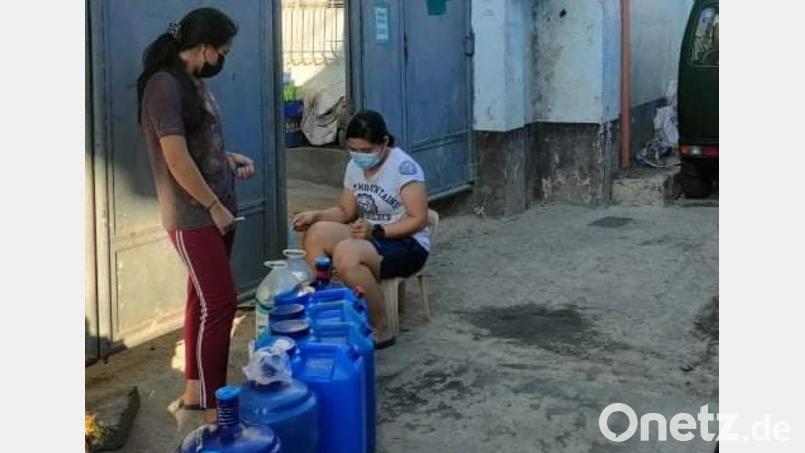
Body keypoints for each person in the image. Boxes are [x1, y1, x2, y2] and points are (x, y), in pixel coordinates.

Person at [137, 7, 255, 423]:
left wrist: (227, 158)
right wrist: (213, 206)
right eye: (222, 50)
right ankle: (212, 409)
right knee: (221, 304)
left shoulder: (190, 81)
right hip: (194, 216)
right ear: (204, 47)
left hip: (214, 209)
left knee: (202, 299)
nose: (223, 58)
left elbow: (195, 144)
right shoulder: (163, 85)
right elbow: (175, 157)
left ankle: (194, 392)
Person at [292, 111, 431, 348]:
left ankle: (380, 327)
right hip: (369, 235)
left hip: (407, 243)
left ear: (384, 143)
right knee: (316, 233)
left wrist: (377, 231)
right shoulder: (354, 166)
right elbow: (345, 211)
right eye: (353, 150)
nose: (360, 156)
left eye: (366, 151)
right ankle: (328, 306)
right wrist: (316, 215)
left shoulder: (404, 168)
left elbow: (419, 220)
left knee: (346, 253)